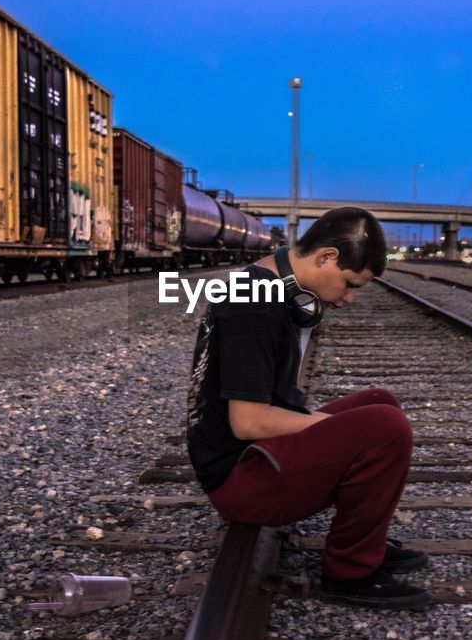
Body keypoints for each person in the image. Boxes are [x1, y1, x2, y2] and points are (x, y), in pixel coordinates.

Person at [185, 207, 431, 609]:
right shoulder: (253, 305)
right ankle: (351, 573)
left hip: (252, 461)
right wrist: (326, 427)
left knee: (379, 403)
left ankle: (364, 542)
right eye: (350, 284)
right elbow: (249, 422)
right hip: (242, 480)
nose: (349, 299)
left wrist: (333, 427)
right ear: (326, 257)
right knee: (385, 428)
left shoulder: (270, 285)